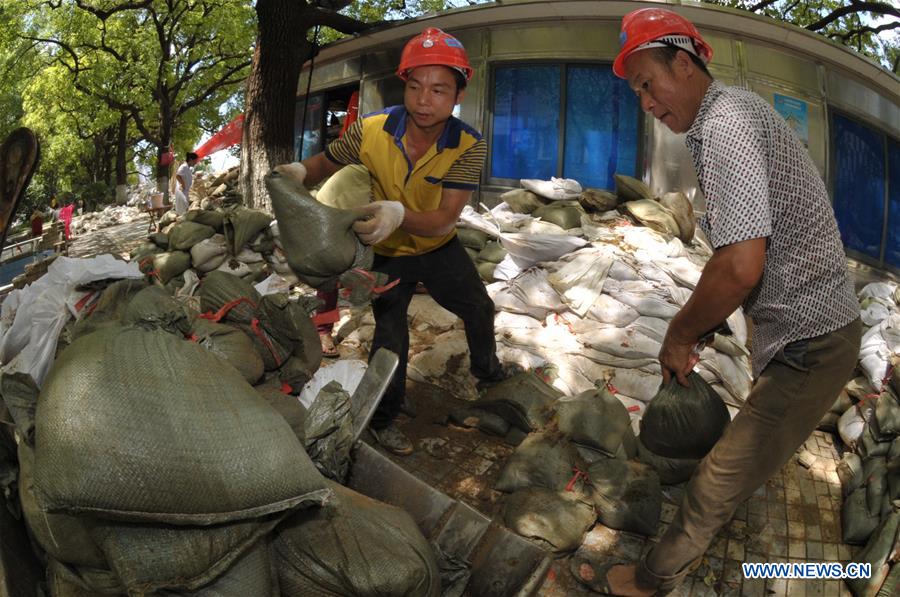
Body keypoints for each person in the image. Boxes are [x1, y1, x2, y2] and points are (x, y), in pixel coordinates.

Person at [576, 8, 862, 595]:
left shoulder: (725, 124)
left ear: (683, 63)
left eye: (647, 85)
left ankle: (655, 578)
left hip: (814, 342)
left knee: (715, 482)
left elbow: (737, 266)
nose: (647, 104)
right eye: (637, 93)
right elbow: (743, 257)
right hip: (803, 330)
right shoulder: (734, 113)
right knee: (739, 459)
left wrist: (681, 333)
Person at [274, 27, 513, 456]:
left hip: (437, 249)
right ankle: (384, 417)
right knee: (390, 331)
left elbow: (444, 220)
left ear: (458, 94)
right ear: (405, 85)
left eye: (439, 90)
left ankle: (489, 375)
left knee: (479, 307)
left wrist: (398, 214)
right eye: (416, 87)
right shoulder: (371, 130)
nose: (424, 100)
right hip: (387, 253)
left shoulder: (469, 145)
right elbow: (324, 163)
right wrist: (297, 172)